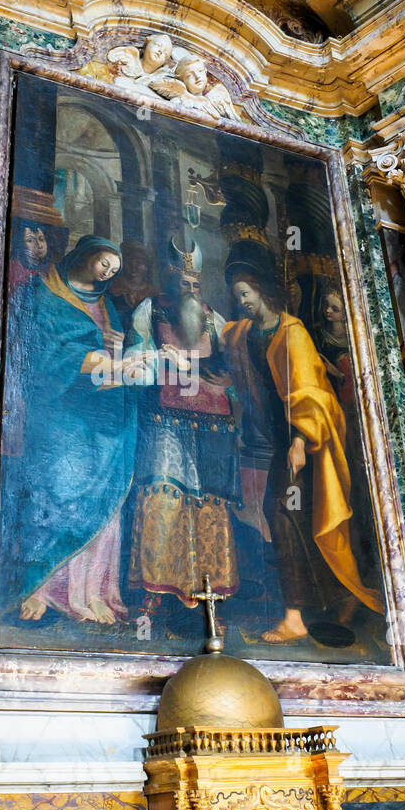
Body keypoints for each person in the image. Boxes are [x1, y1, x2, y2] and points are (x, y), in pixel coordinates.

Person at [223, 262, 382, 641]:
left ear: (262, 291)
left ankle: (300, 614)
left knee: (288, 512)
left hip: (312, 441)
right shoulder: (246, 332)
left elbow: (307, 390)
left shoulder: (291, 333)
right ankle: (336, 596)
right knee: (297, 517)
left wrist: (298, 441)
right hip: (284, 439)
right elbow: (232, 349)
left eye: (246, 293)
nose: (242, 301)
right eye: (237, 296)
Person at [0, 235, 143, 626]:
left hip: (103, 415)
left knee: (102, 502)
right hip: (59, 414)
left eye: (113, 271)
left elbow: (116, 352)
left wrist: (120, 355)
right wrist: (97, 360)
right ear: (85, 255)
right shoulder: (40, 292)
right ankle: (40, 588)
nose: (107, 274)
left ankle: (90, 591)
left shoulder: (109, 305)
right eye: (103, 264)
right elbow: (35, 353)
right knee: (55, 492)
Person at [125, 238, 240, 617]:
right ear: (170, 280)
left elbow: (234, 368)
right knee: (162, 495)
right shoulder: (152, 308)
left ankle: (209, 594)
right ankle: (155, 592)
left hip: (213, 424)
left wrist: (210, 373)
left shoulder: (214, 318)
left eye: (195, 284)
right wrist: (156, 357)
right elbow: (134, 353)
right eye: (183, 283)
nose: (189, 291)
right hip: (165, 418)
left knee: (210, 503)